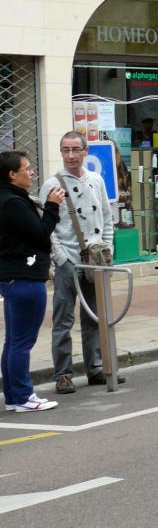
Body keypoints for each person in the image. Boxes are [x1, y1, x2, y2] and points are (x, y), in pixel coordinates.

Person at [38, 132, 116, 394]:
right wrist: (60, 257)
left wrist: (108, 248)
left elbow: (106, 217)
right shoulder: (52, 184)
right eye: (65, 150)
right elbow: (46, 227)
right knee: (63, 320)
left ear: (85, 152)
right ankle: (63, 374)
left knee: (94, 317)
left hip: (95, 260)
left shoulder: (96, 180)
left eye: (75, 150)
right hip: (68, 260)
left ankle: (95, 368)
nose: (70, 155)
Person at [0, 151, 64, 412]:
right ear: (12, 174)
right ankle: (24, 396)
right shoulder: (12, 202)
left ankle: (15, 397)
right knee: (22, 341)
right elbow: (39, 234)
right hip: (24, 277)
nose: (32, 172)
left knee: (13, 340)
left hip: (12, 277)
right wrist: (52, 205)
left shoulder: (10, 197)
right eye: (26, 169)